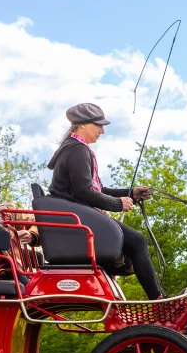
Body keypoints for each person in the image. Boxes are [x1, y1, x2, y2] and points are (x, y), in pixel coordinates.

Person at [47, 103, 163, 300]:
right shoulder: (77, 150)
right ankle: (158, 299)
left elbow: (95, 190)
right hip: (79, 218)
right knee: (137, 241)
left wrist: (131, 193)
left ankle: (155, 297)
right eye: (98, 125)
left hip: (79, 213)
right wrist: (118, 204)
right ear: (82, 125)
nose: (102, 130)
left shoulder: (74, 148)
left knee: (135, 242)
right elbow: (85, 192)